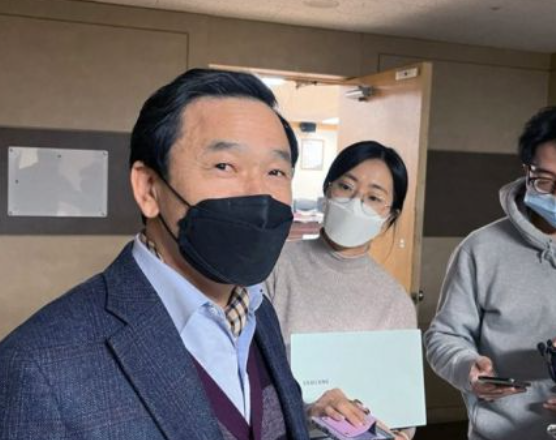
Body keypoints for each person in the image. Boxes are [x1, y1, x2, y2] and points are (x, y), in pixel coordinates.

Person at [0, 69, 310, 440]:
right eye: (224, 166)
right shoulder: (37, 366)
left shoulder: (257, 309)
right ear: (148, 188)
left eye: (276, 171)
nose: (259, 193)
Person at [265, 141, 418, 440]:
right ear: (327, 190)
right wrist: (309, 409)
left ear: (389, 215)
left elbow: (401, 410)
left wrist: (397, 433)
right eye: (346, 187)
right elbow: (245, 377)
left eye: (374, 197)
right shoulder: (273, 268)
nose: (356, 202)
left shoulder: (394, 299)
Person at [425, 106, 556, 440]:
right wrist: (467, 367)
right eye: (545, 180)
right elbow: (444, 337)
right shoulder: (481, 249)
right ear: (527, 171)